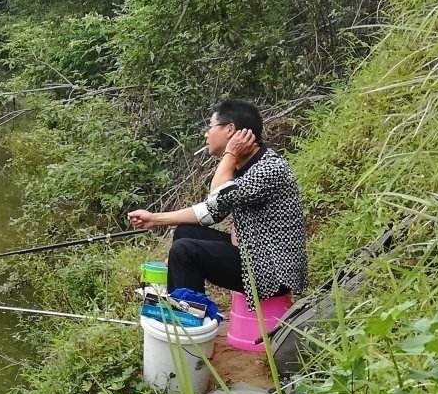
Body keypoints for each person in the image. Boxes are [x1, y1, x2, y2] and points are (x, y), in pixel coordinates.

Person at [127, 100, 308, 309]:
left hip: (272, 272)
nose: (206, 134)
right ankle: (183, 305)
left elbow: (217, 198)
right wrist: (155, 219)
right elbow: (211, 212)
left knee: (184, 251)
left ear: (230, 130)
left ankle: (189, 319)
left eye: (210, 127)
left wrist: (230, 154)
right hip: (254, 254)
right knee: (186, 233)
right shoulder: (249, 164)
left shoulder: (268, 169)